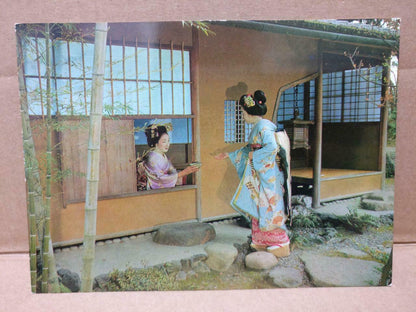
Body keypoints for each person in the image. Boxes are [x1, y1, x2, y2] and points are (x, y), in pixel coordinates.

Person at [215, 90, 291, 257]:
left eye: (242, 112)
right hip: (260, 174)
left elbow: (272, 148)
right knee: (259, 206)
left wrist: (254, 156)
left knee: (269, 207)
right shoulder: (260, 126)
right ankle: (261, 241)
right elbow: (248, 149)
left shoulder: (263, 127)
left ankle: (280, 243)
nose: (242, 115)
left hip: (268, 175)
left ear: (250, 112)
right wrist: (230, 155)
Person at [140, 124, 199, 190]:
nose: (167, 144)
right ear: (156, 143)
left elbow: (171, 170)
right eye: (164, 142)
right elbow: (160, 178)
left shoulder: (163, 156)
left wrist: (188, 169)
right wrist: (182, 173)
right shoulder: (152, 158)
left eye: (168, 141)